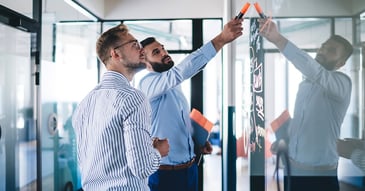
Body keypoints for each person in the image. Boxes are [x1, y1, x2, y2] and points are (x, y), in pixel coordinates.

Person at [138, 17, 244, 191]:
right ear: (145, 62)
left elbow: (179, 121)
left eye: (163, 48)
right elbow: (184, 70)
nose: (164, 53)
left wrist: (196, 142)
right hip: (164, 175)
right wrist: (221, 39)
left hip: (189, 170)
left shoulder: (172, 84)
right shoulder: (147, 84)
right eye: (156, 52)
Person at [258, 18, 353, 191]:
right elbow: (303, 121)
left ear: (341, 63)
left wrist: (278, 39)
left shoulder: (342, 83)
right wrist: (286, 140)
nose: (323, 50)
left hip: (320, 178)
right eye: (324, 46)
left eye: (331, 50)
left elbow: (314, 70)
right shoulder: (306, 84)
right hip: (293, 172)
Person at [71, 23, 169, 191]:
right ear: (116, 54)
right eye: (135, 45)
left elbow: (102, 157)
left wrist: (145, 148)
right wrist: (159, 151)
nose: (142, 50)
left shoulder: (85, 103)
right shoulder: (133, 98)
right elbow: (143, 168)